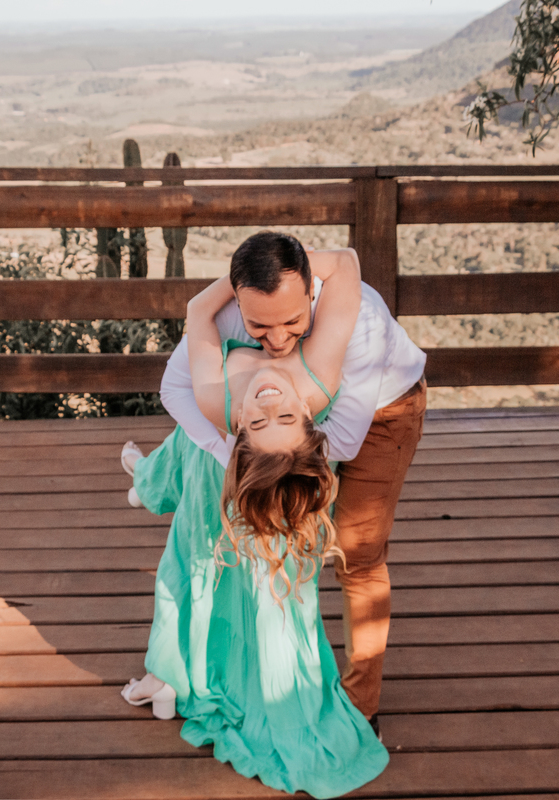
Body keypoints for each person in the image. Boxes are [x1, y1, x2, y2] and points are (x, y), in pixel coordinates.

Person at [120, 234, 389, 799]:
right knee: (202, 547)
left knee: (201, 553)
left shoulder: (218, 401)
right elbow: (346, 265)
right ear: (305, 416)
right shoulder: (315, 382)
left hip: (242, 473)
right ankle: (150, 486)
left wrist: (243, 281)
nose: (269, 402)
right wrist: (277, 269)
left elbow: (198, 312)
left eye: (263, 420)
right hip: (240, 474)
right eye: (281, 414)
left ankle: (148, 487)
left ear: (240, 433)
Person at [157, 231, 427, 732]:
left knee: (357, 554)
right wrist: (247, 451)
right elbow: (175, 385)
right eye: (259, 324)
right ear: (239, 301)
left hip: (385, 411)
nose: (278, 339)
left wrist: (267, 428)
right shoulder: (235, 321)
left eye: (293, 321)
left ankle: (360, 702)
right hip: (283, 431)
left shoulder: (357, 322)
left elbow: (342, 443)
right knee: (282, 547)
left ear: (311, 293)